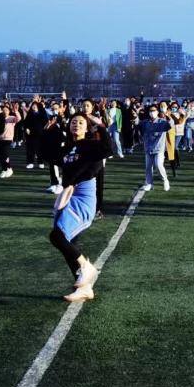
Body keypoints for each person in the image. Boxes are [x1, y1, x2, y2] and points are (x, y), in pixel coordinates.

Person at [49, 114, 114, 303]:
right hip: (68, 195)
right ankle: (84, 288)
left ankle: (87, 268)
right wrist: (48, 132)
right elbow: (47, 154)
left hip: (83, 195)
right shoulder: (68, 147)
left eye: (80, 122)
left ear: (87, 127)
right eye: (73, 122)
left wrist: (100, 126)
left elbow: (108, 149)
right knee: (68, 245)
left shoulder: (91, 145)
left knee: (57, 236)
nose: (76, 124)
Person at [138, 106, 172, 191]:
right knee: (148, 167)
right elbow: (138, 124)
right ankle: (149, 184)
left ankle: (165, 180)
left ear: (157, 112)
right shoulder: (146, 122)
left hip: (159, 148)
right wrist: (135, 116)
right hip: (148, 147)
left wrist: (169, 117)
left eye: (154, 111)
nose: (152, 112)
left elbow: (170, 125)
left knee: (158, 165)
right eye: (150, 111)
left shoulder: (162, 122)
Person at [0, 104, 19, 178]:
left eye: (6, 110)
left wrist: (16, 111)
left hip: (8, 138)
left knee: (5, 154)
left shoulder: (12, 118)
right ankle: (4, 169)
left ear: (9, 111)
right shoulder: (0, 118)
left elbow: (19, 119)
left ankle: (9, 168)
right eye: (3, 110)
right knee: (1, 155)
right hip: (0, 139)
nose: (5, 111)